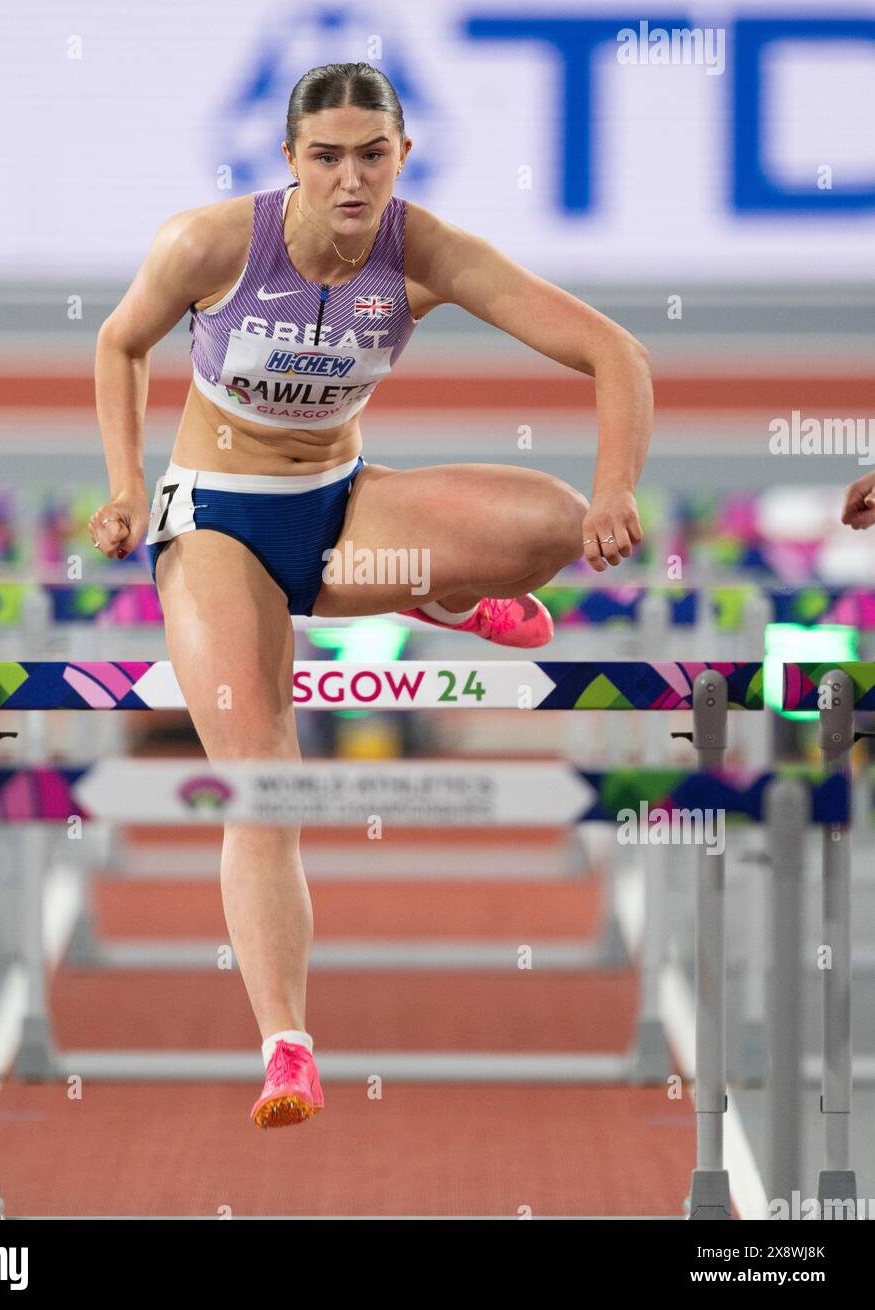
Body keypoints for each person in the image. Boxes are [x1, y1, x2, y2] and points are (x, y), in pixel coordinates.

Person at [88, 62, 653, 1128]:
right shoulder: (206, 245)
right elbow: (120, 341)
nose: (350, 179)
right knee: (263, 775)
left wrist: (615, 493)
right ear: (290, 161)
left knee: (549, 522)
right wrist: (123, 485)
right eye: (326, 156)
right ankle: (286, 1042)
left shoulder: (425, 252)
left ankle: (436, 589)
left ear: (402, 153)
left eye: (371, 154)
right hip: (217, 522)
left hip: (345, 510)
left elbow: (612, 351)